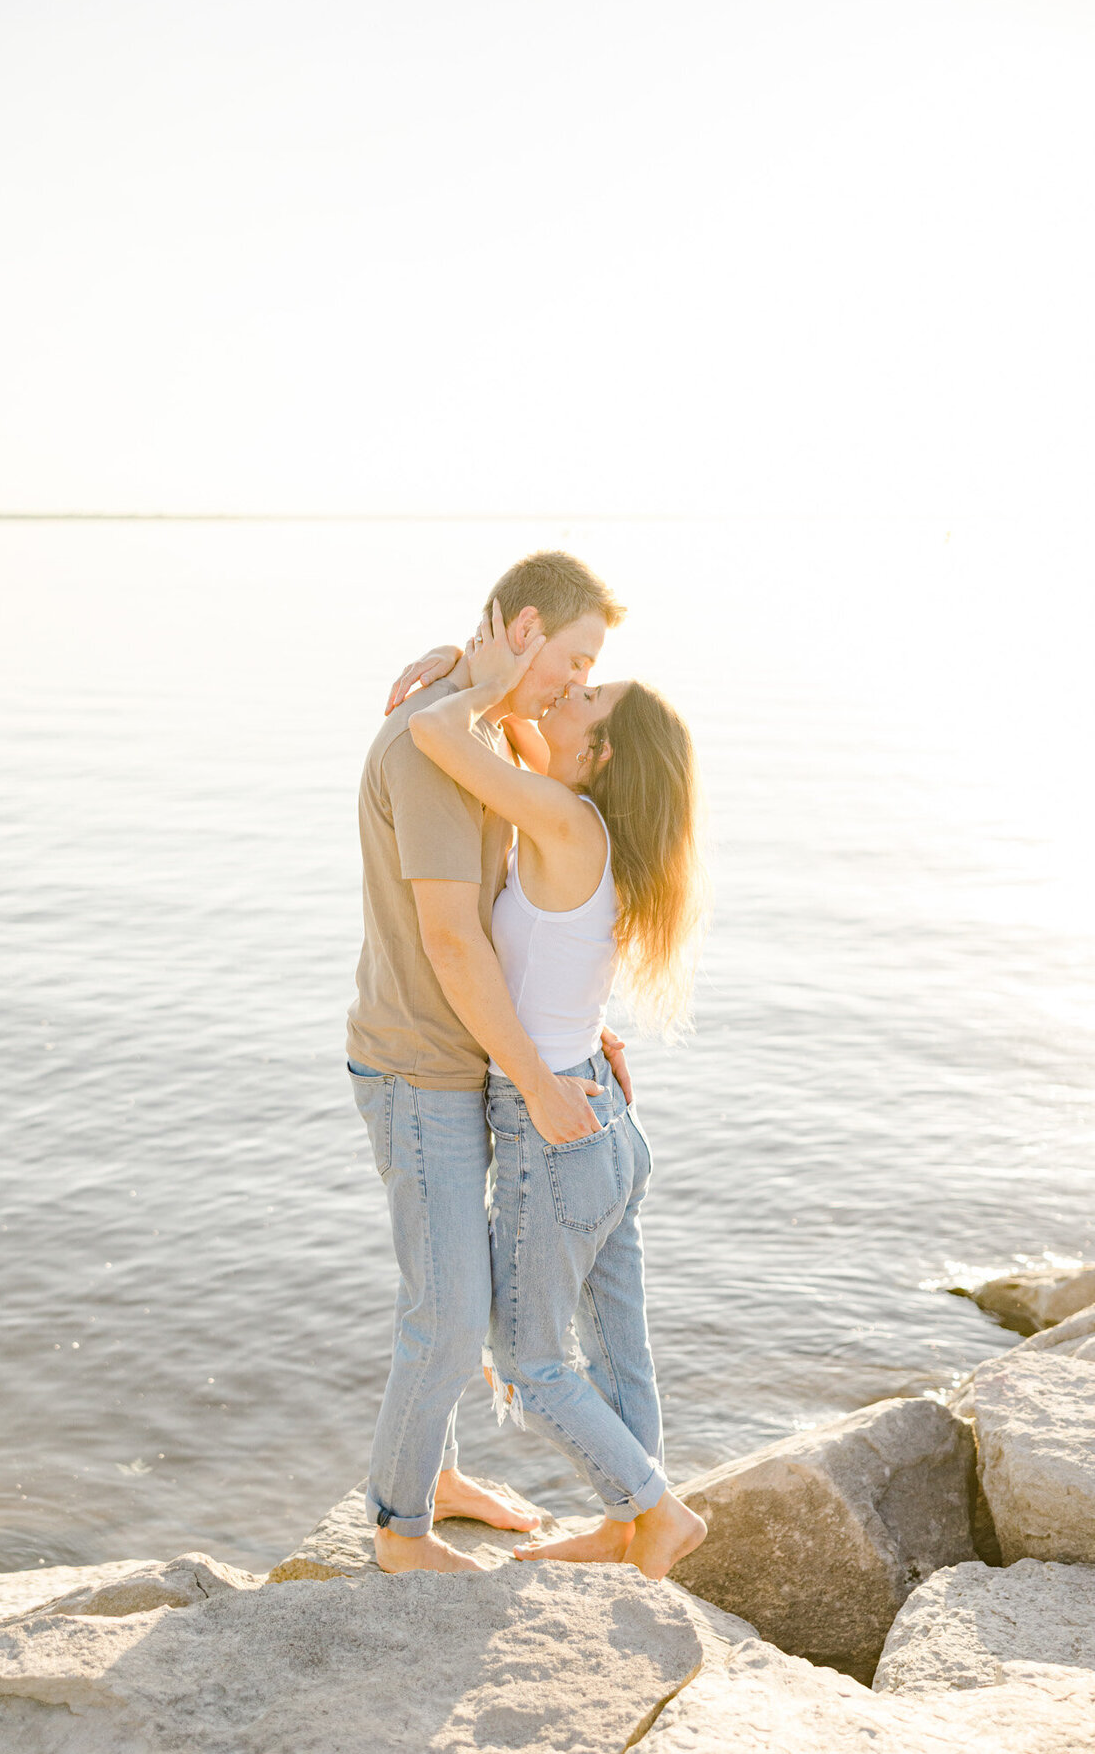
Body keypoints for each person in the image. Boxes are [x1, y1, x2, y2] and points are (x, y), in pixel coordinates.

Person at [403, 598, 710, 1578]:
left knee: (536, 1366)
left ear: (607, 753)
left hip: (554, 1122)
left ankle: (658, 1512)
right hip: (603, 1115)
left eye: (595, 691)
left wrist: (463, 675)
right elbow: (512, 722)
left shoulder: (567, 817)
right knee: (622, 1355)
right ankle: (630, 1525)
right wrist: (467, 658)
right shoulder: (580, 814)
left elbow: (436, 731)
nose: (574, 686)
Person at [346, 551, 629, 1574]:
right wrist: (544, 1084)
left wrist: (573, 1033)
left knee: (445, 1284)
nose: (575, 682)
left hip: (458, 1060)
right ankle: (397, 1528)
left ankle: (438, 1472)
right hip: (419, 1064)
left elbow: (522, 923)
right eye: (573, 657)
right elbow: (454, 943)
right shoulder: (432, 751)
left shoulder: (472, 728)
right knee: (453, 1303)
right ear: (522, 628)